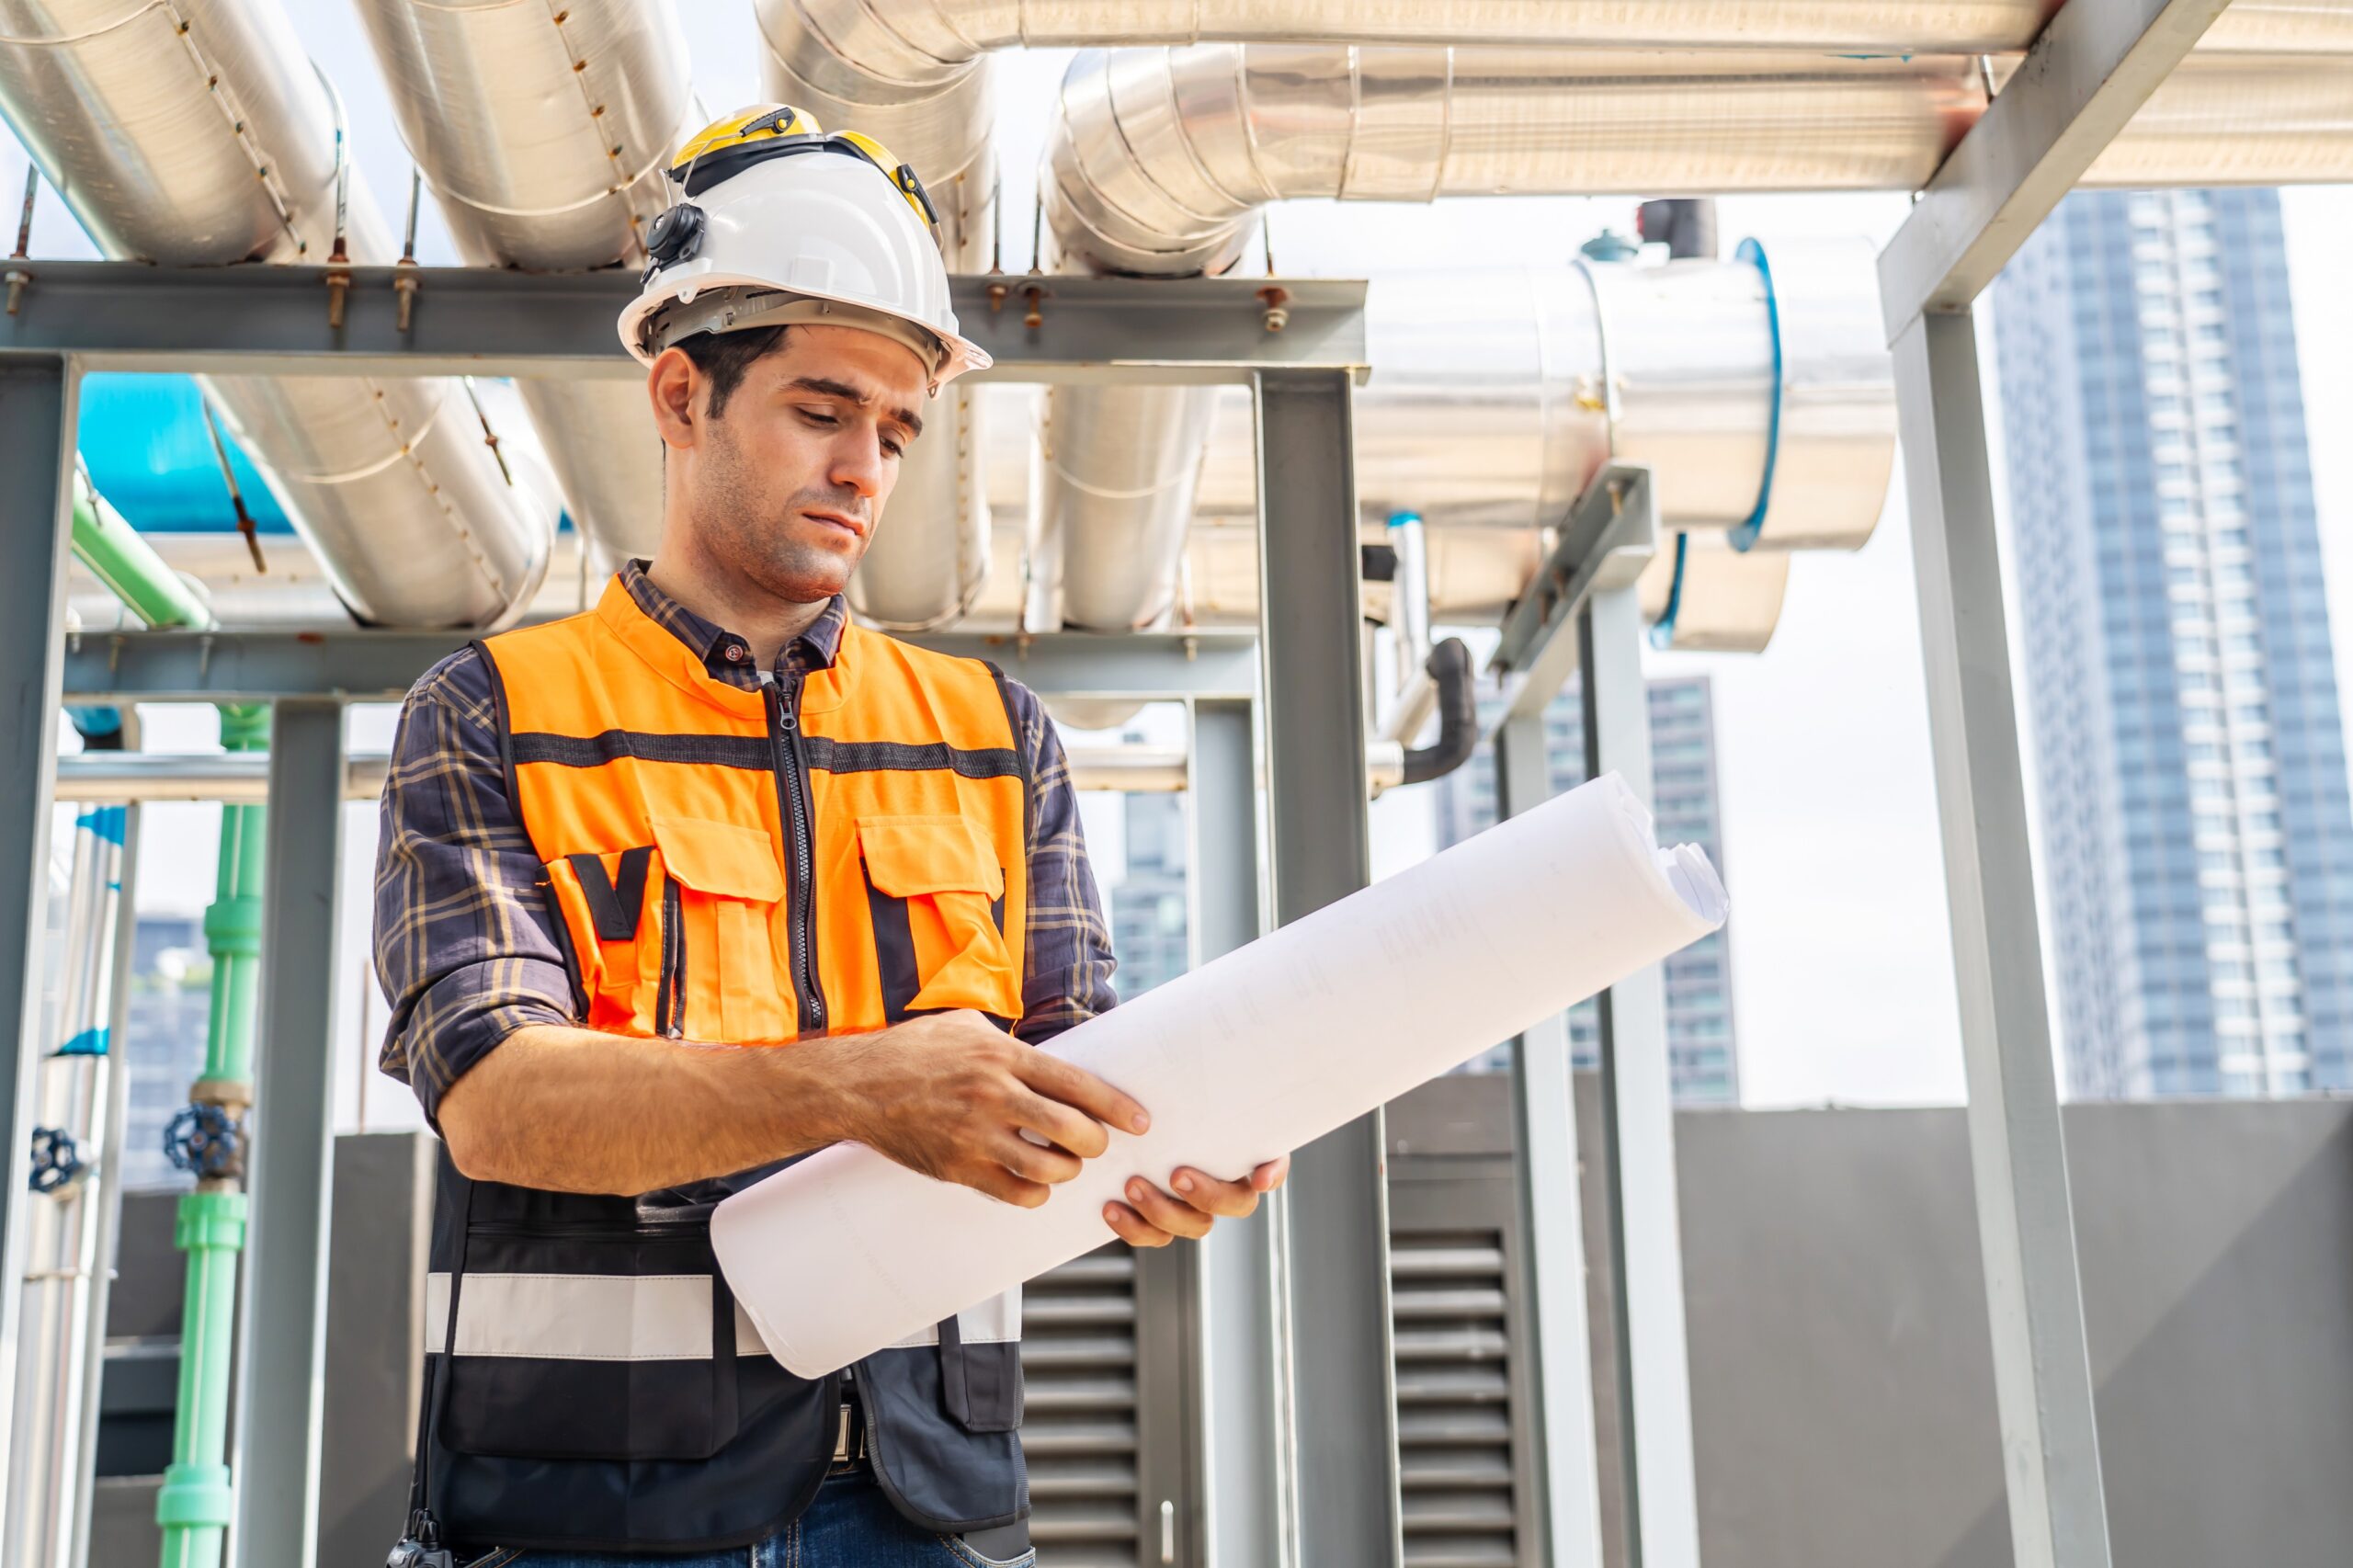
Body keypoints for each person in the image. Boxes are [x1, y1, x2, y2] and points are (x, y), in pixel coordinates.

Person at [371, 105, 1290, 1568]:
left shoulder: (993, 734)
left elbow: (1069, 1083)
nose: (867, 464)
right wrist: (856, 1086)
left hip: (927, 1507)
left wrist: (1157, 1165)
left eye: (899, 427)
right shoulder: (495, 713)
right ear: (681, 394)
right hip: (586, 1514)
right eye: (821, 410)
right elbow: (498, 1101)